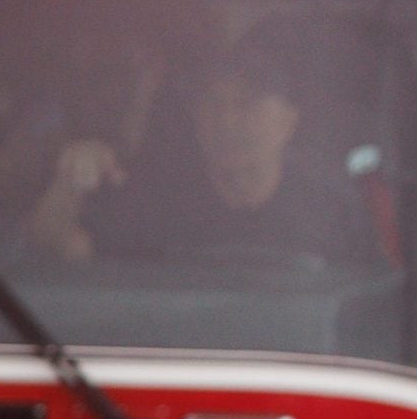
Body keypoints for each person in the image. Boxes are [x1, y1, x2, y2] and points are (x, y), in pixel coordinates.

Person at [24, 35, 380, 267]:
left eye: (246, 104)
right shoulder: (153, 199)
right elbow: (56, 248)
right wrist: (70, 182)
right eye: (213, 105)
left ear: (288, 122)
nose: (226, 122)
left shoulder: (333, 209)